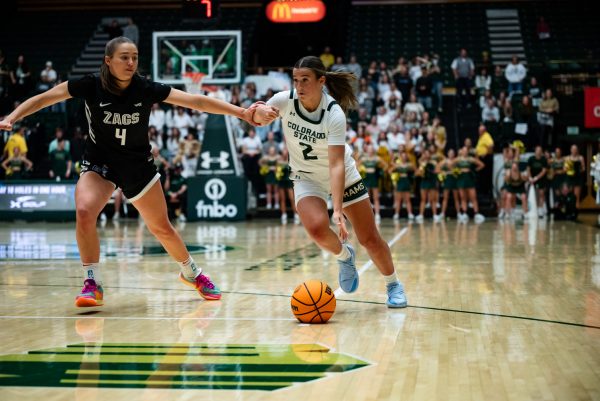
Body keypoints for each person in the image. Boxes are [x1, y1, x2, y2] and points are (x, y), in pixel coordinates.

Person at [0, 36, 277, 307]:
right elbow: (45, 98)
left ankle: (191, 272)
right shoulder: (89, 85)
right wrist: (12, 117)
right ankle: (91, 282)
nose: (131, 62)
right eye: (124, 57)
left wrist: (242, 113)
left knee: (162, 228)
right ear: (108, 61)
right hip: (100, 163)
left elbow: (197, 101)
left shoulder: (145, 88)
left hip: (137, 166)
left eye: (134, 57)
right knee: (84, 212)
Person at [253, 55, 407, 308]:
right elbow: (256, 116)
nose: (299, 86)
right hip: (306, 176)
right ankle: (345, 255)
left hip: (342, 176)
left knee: (369, 238)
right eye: (295, 80)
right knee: (315, 228)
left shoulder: (333, 113)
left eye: (305, 80)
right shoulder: (284, 100)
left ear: (321, 81)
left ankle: (393, 284)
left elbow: (336, 165)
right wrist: (258, 113)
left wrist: (337, 210)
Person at [389, 150, 415, 221]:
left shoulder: (409, 164)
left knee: (407, 199)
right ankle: (396, 214)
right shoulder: (397, 165)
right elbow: (390, 171)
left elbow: (415, 169)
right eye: (402, 156)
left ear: (406, 157)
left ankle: (410, 214)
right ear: (400, 157)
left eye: (405, 156)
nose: (404, 158)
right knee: (398, 199)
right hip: (400, 181)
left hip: (406, 181)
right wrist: (395, 174)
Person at [527, 145, 548, 218]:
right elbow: (528, 169)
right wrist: (530, 177)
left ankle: (540, 209)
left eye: (540, 150)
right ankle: (532, 209)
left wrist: (536, 178)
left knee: (541, 193)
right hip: (532, 179)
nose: (538, 152)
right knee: (534, 194)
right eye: (537, 150)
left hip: (541, 179)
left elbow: (544, 171)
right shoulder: (531, 159)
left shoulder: (544, 159)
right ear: (535, 151)